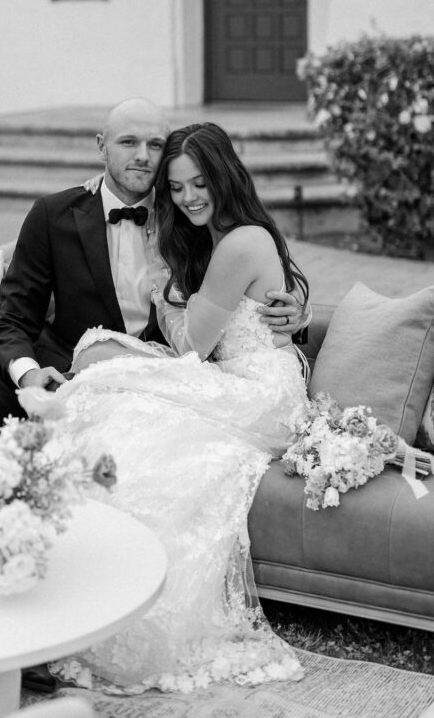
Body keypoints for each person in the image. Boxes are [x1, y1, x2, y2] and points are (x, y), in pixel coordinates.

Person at [37, 122, 310, 693]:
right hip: (235, 375)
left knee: (109, 381)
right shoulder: (224, 234)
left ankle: (111, 601)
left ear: (225, 176)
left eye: (199, 183)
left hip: (258, 389)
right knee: (111, 388)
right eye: (178, 187)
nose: (188, 198)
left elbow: (191, 346)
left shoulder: (238, 242)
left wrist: (161, 274)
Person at [0, 99, 307, 433]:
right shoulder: (54, 215)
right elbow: (14, 319)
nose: (141, 156)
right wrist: (30, 375)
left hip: (162, 388)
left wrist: (296, 313)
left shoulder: (193, 221)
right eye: (128, 142)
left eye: (155, 145)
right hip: (66, 377)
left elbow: (252, 289)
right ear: (102, 147)